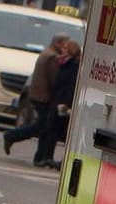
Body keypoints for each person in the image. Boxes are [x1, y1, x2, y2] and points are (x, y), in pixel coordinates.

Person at [1, 34, 67, 156]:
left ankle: (41, 156)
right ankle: (11, 136)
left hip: (37, 95)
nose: (66, 47)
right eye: (65, 44)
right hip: (44, 97)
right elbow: (54, 80)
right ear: (59, 43)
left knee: (44, 126)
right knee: (41, 126)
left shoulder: (46, 53)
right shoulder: (52, 57)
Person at [34, 39, 81, 168]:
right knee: (51, 130)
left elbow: (71, 85)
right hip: (57, 100)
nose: (63, 50)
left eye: (66, 48)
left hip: (63, 103)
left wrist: (67, 103)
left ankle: (53, 158)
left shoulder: (74, 65)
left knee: (59, 131)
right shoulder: (63, 62)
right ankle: (46, 157)